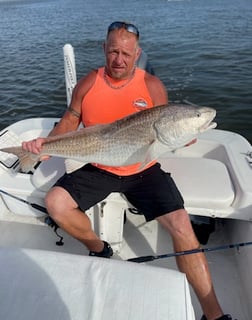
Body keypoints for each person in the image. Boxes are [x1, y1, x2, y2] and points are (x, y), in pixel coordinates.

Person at [22, 21, 232, 320]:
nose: (118, 60)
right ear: (104, 50)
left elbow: (168, 124)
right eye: (113, 51)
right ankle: (100, 248)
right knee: (56, 203)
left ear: (137, 54)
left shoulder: (152, 86)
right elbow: (70, 121)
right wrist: (45, 145)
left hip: (143, 167)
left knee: (183, 226)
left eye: (126, 53)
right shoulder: (88, 83)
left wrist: (187, 132)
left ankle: (214, 315)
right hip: (99, 164)